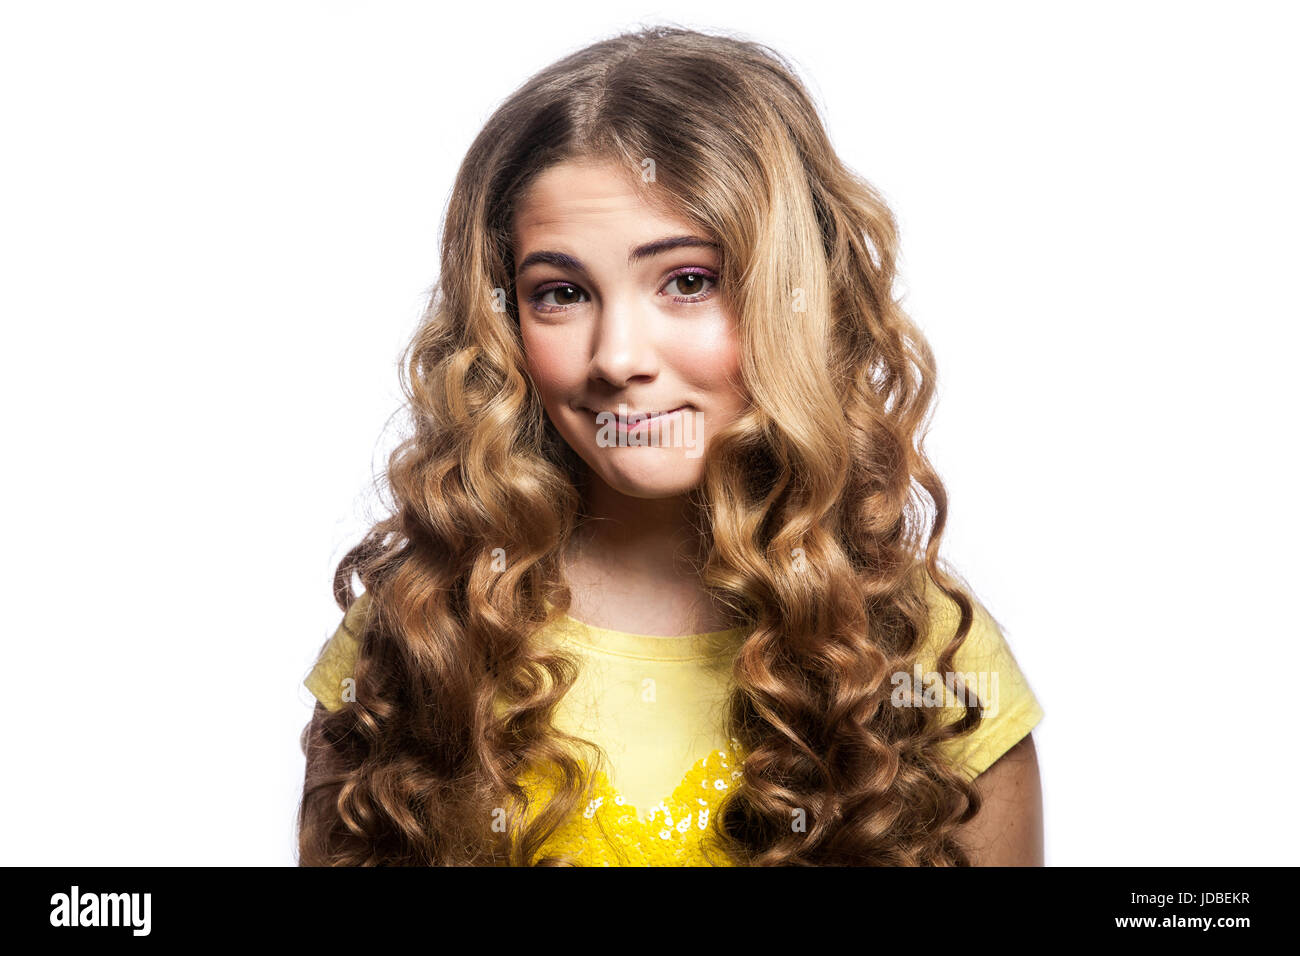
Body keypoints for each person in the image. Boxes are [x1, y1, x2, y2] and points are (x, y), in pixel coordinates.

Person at [298, 24, 1044, 866]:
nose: (618, 358)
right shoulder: (418, 633)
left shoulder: (925, 654)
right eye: (562, 293)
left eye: (688, 282)